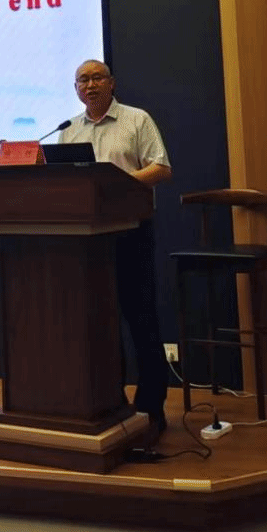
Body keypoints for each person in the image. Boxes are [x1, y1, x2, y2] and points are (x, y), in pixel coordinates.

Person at [59, 59, 173, 440]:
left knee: (141, 322)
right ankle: (111, 403)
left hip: (131, 232)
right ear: (76, 89)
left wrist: (119, 185)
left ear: (112, 83)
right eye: (83, 80)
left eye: (97, 78)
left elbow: (161, 168)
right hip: (89, 242)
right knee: (100, 324)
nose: (90, 85)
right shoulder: (69, 130)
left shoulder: (136, 119)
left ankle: (152, 409)